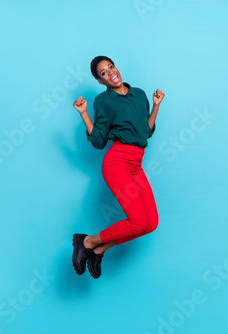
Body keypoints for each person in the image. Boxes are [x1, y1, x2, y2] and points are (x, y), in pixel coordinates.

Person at [71, 56, 165, 279]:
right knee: (138, 221)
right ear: (100, 81)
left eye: (110, 67)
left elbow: (146, 131)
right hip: (117, 162)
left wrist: (156, 106)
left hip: (136, 164)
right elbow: (99, 141)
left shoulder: (139, 94)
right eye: (103, 73)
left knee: (150, 223)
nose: (110, 73)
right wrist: (84, 114)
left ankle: (99, 249)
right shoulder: (103, 102)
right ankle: (86, 241)